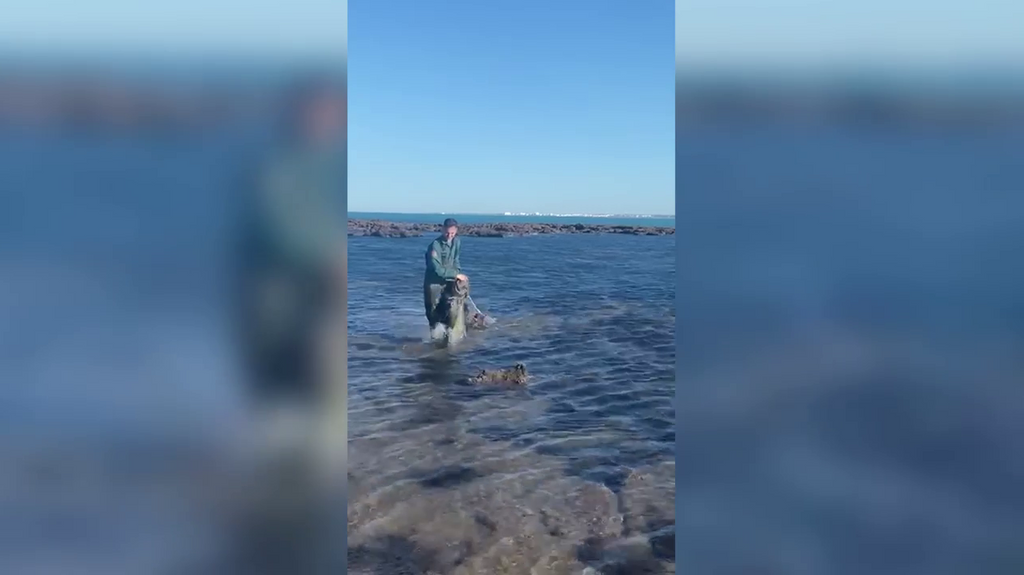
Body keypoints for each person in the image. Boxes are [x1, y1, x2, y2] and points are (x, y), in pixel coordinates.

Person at [424, 218, 468, 336]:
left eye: (452, 233)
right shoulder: (435, 246)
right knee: (433, 312)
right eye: (447, 233)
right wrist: (455, 274)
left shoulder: (457, 242)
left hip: (449, 281)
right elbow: (437, 269)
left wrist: (457, 273)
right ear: (443, 229)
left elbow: (455, 260)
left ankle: (449, 335)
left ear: (456, 231)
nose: (449, 236)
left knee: (449, 309)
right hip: (434, 283)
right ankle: (434, 337)